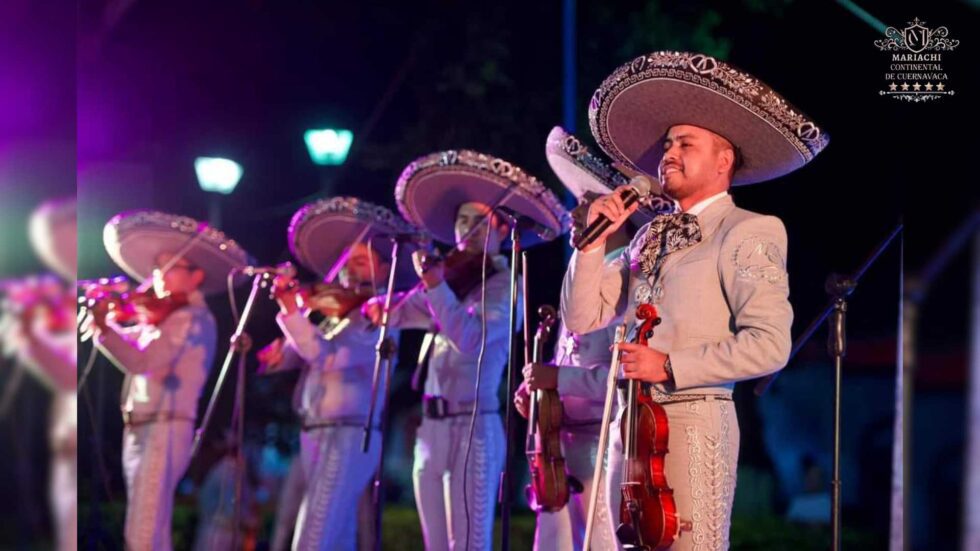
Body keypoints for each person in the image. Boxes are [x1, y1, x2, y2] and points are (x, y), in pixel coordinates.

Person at [562, 51, 828, 549]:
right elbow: (582, 317)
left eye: (686, 143)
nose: (669, 152)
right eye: (667, 143)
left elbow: (771, 346)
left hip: (694, 418)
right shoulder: (646, 238)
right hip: (630, 422)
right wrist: (593, 244)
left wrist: (669, 364)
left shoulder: (748, 230)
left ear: (723, 160)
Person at [364, 150, 568, 550]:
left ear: (499, 230)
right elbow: (400, 313)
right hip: (430, 427)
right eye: (461, 222)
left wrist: (436, 286)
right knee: (435, 544)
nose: (469, 230)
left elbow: (471, 339)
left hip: (473, 427)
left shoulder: (502, 285)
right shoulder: (451, 283)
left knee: (470, 542)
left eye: (480, 222)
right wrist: (381, 306)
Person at [88, 210, 251, 550]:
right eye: (157, 267)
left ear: (196, 276)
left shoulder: (192, 319)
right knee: (147, 526)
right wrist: (105, 320)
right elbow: (131, 343)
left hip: (165, 426)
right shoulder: (160, 318)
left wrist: (105, 328)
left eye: (169, 266)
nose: (157, 275)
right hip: (140, 426)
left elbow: (144, 362)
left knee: (145, 527)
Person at [263, 196, 414, 551]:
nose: (349, 269)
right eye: (347, 262)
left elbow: (326, 357)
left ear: (382, 270)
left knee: (314, 533)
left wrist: (291, 311)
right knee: (338, 535)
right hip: (314, 433)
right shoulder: (332, 315)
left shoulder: (382, 316)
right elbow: (296, 357)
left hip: (350, 434)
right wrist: (286, 337)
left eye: (361, 262)